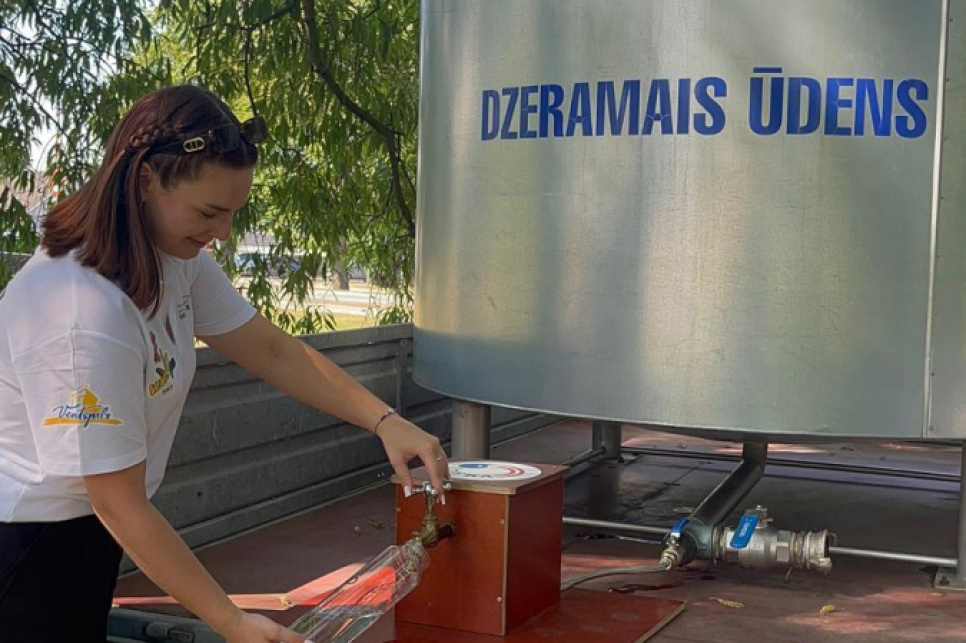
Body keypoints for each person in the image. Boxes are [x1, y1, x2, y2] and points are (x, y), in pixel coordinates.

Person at [0, 84, 449, 643]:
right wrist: (230, 621)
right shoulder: (80, 311)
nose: (222, 234)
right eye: (209, 212)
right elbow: (117, 501)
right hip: (29, 543)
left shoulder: (172, 257)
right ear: (145, 180)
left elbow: (272, 349)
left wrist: (385, 420)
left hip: (88, 531)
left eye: (233, 214)